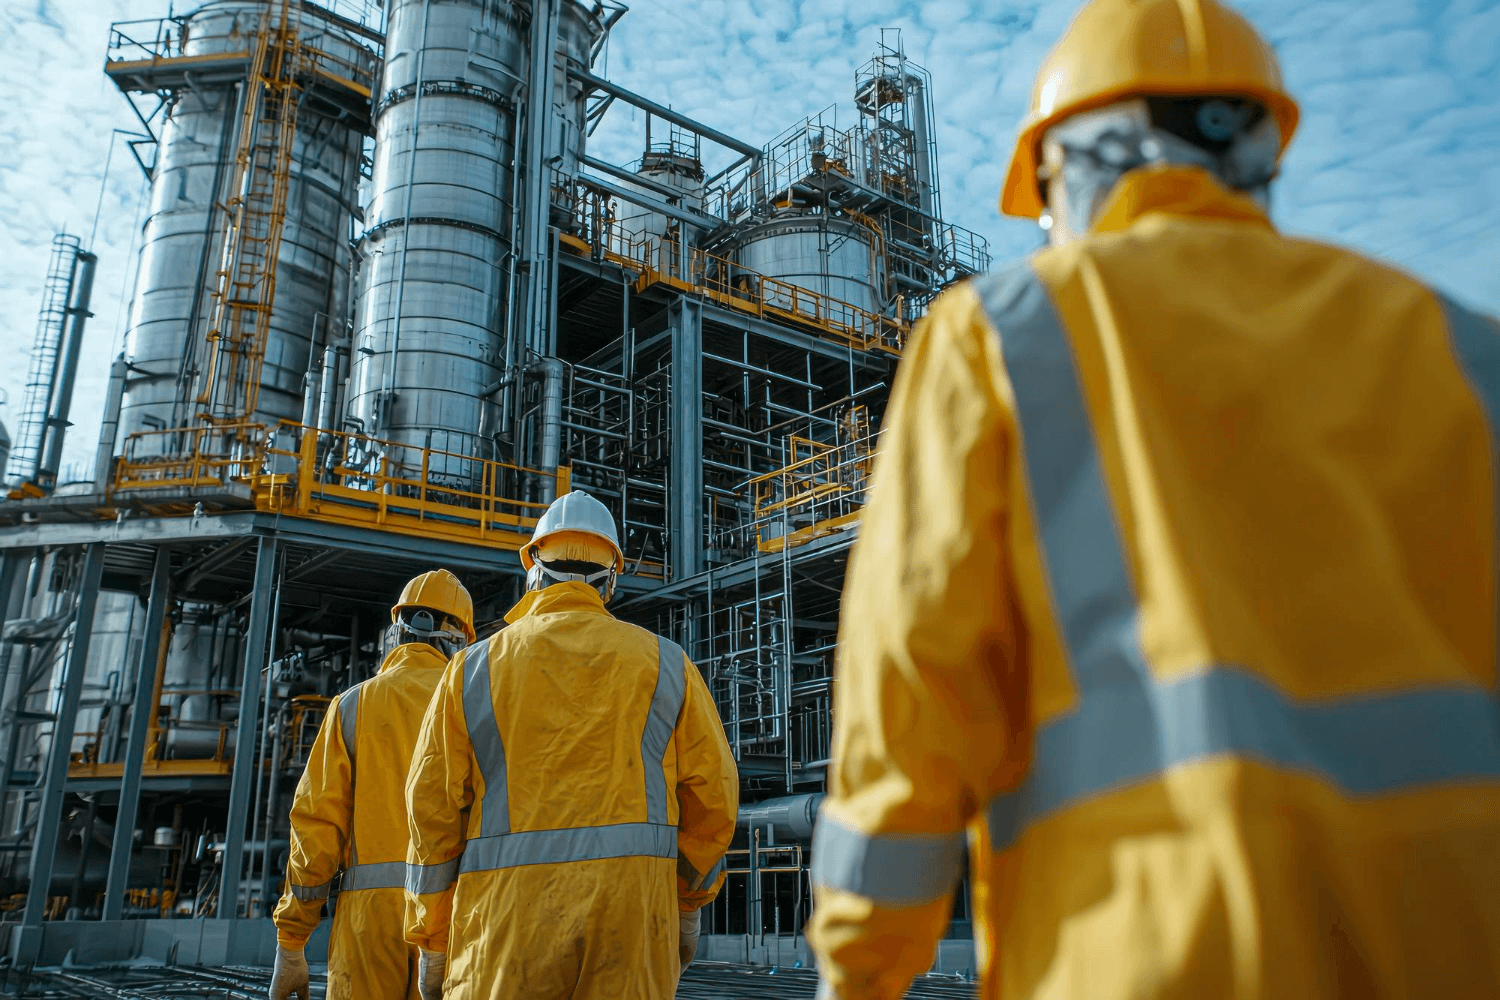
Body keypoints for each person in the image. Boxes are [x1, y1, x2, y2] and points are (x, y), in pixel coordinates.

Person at [806, 1, 1500, 998]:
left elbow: (910, 694)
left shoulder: (1000, 336)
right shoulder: (1457, 345)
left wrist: (860, 969)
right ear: (1256, 149)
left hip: (1143, 952)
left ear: (1071, 166)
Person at [403, 489, 739, 1000]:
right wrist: (688, 906)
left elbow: (431, 812)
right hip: (631, 929)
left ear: (533, 569)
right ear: (611, 578)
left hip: (504, 932)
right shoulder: (668, 665)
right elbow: (713, 799)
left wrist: (431, 940)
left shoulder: (470, 671)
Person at [269, 570, 476, 1000]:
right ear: (460, 638)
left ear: (398, 631)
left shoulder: (351, 707)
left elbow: (316, 829)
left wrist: (292, 942)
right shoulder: (474, 704)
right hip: (450, 922)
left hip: (366, 926)